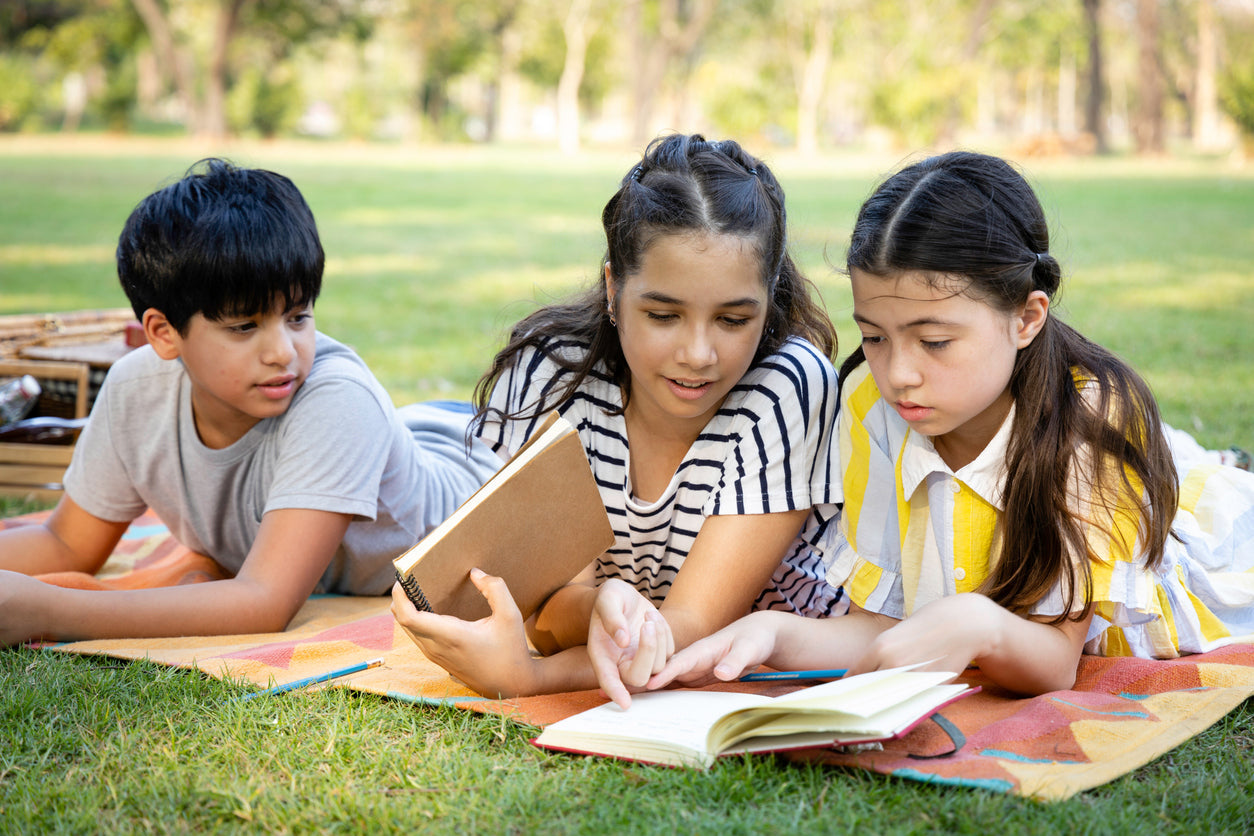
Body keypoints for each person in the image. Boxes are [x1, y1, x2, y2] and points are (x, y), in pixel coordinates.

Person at [649, 150, 1254, 697]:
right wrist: (772, 634)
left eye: (934, 341)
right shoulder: (868, 407)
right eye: (875, 337)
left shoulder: (1088, 421)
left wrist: (978, 622)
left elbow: (1054, 662)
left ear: (1026, 317)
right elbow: (880, 630)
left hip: (1203, 548)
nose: (899, 374)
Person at [391, 134, 845, 706]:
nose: (698, 354)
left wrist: (528, 680)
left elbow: (696, 629)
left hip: (774, 657)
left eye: (732, 319)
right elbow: (550, 614)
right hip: (648, 648)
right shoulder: (554, 378)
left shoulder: (786, 389)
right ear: (612, 288)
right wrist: (603, 604)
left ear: (769, 297)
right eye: (663, 314)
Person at [0, 159, 498, 646]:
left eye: (298, 316)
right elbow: (65, 544)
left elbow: (264, 601)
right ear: (163, 333)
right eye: (243, 327)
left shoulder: (337, 399)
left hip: (486, 474)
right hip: (410, 432)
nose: (282, 351)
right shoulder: (136, 390)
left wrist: (47, 610)